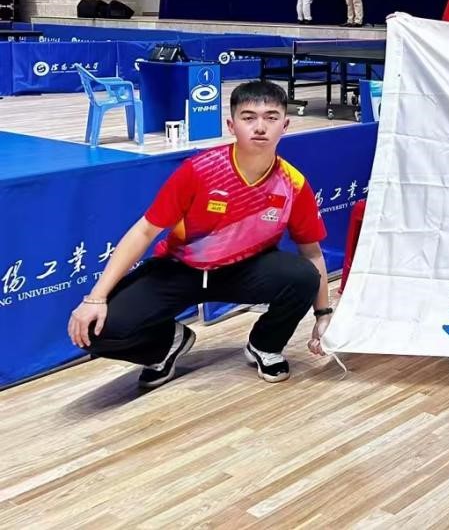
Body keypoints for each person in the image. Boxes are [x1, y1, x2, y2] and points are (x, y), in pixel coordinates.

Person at [66, 81, 332, 388]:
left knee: (303, 276)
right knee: (96, 330)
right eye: (248, 118)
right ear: (231, 125)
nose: (260, 127)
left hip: (245, 271)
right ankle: (167, 345)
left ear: (284, 125)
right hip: (181, 269)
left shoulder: (293, 184)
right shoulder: (199, 170)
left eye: (271, 118)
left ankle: (265, 345)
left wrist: (323, 314)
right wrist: (96, 298)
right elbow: (144, 231)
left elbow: (312, 253)